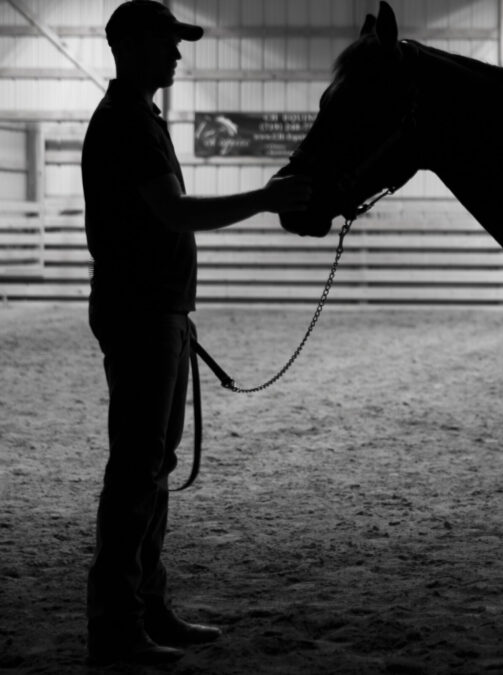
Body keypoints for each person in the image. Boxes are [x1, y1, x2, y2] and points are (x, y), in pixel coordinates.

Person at [81, 0, 311, 665]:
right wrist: (264, 199)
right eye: (167, 42)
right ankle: (118, 624)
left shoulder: (140, 117)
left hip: (156, 309)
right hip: (142, 311)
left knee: (152, 466)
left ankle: (146, 607)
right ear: (131, 46)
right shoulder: (128, 122)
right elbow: (174, 211)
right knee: (136, 470)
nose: (178, 55)